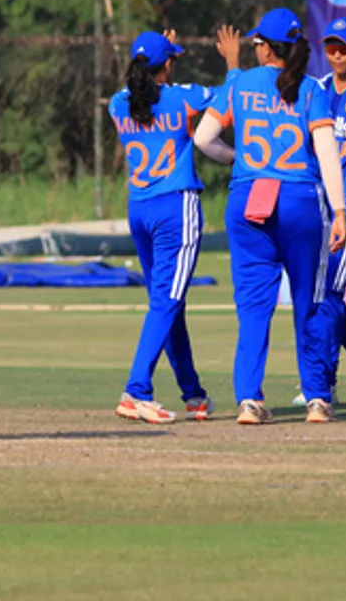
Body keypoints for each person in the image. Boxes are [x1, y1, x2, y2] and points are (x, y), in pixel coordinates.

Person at [194, 9, 346, 425]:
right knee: (310, 303)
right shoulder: (312, 88)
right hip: (300, 200)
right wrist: (339, 210)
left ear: (264, 47)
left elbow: (203, 138)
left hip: (248, 199)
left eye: (257, 42)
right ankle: (316, 399)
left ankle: (249, 400)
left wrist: (237, 158)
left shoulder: (239, 83)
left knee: (252, 309)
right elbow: (328, 153)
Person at [109, 26, 239, 424]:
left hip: (140, 210)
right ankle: (136, 390)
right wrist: (233, 64)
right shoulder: (182, 98)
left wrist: (160, 57)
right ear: (167, 65)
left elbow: (148, 95)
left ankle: (193, 394)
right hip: (175, 209)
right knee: (166, 301)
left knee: (168, 302)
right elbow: (227, 100)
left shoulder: (117, 103)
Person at [295, 16, 346, 405]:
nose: (337, 53)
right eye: (331, 46)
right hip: (322, 205)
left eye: (345, 47)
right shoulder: (316, 89)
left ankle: (322, 384)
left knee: (328, 293)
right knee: (322, 294)